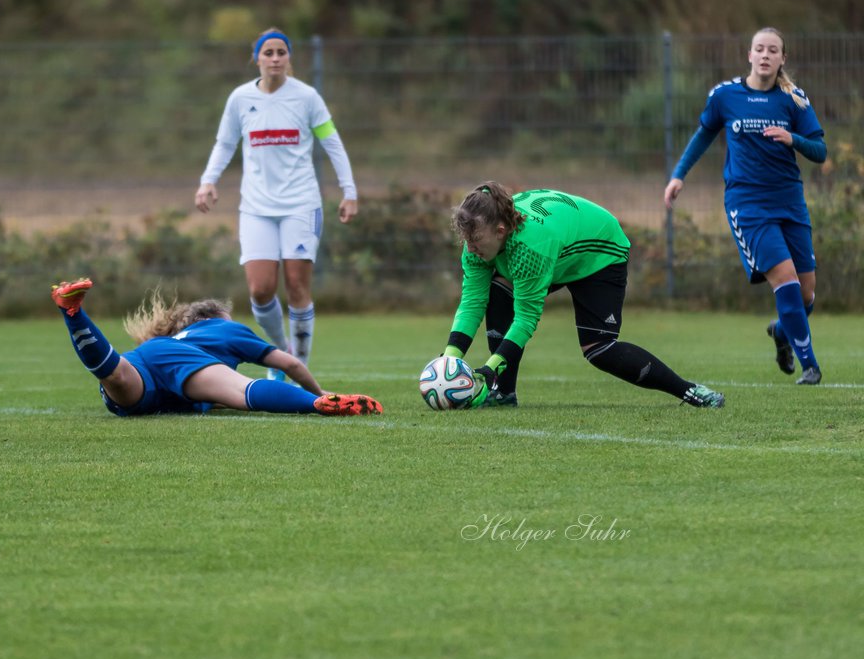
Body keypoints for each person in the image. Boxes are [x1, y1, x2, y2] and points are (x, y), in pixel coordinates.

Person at [442, 182, 725, 409]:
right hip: (562, 246)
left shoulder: (531, 248)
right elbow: (472, 301)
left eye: (475, 241)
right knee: (497, 292)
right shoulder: (479, 242)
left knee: (599, 348)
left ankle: (689, 390)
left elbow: (526, 318)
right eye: (466, 240)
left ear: (500, 230)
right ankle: (503, 395)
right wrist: (450, 360)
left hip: (601, 252)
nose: (470, 247)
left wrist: (492, 367)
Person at [664, 27, 827, 385]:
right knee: (783, 279)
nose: (766, 55)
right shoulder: (725, 96)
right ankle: (810, 366)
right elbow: (704, 133)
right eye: (759, 49)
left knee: (806, 293)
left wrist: (793, 138)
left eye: (773, 50)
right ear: (749, 55)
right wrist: (679, 175)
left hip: (790, 202)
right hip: (748, 204)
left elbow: (819, 151)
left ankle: (783, 334)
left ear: (783, 58)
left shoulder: (794, 99)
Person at [194, 27, 359, 381]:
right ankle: (282, 352)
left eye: (280, 52)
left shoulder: (307, 97)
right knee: (260, 288)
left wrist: (349, 192)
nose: (274, 58)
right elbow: (224, 144)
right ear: (256, 58)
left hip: (301, 204)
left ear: (289, 58)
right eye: (267, 52)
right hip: (256, 207)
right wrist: (208, 182)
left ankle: (298, 365)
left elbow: (333, 144)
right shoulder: (240, 98)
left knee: (297, 286)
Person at [51, 278, 383, 417]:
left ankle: (74, 314)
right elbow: (290, 364)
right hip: (179, 362)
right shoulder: (225, 329)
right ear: (214, 316)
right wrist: (317, 392)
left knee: (118, 378)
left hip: (149, 361)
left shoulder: (171, 339)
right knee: (243, 391)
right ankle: (318, 406)